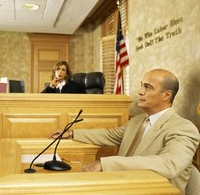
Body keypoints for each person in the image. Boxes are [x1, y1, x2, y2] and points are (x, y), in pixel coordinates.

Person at [51, 69, 200, 194]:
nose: (140, 92)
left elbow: (169, 164)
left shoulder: (183, 128)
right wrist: (72, 134)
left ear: (166, 95)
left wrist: (105, 163)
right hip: (123, 186)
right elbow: (110, 135)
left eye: (148, 87)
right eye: (142, 86)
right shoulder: (137, 121)